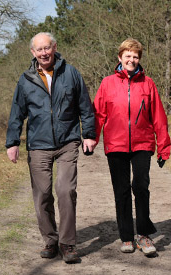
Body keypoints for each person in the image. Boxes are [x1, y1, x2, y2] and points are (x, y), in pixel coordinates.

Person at [6, 32, 96, 263]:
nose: (44, 52)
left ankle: (67, 243)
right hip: (38, 145)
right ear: (33, 53)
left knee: (66, 191)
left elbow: (85, 106)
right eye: (39, 49)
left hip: (68, 141)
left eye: (47, 47)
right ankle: (50, 240)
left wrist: (89, 135)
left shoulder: (71, 73)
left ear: (54, 47)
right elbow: (17, 113)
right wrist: (13, 142)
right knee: (42, 195)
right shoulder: (25, 79)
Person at [93, 38, 171, 256]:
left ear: (139, 59)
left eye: (135, 56)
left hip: (142, 144)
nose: (131, 59)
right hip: (115, 144)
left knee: (141, 187)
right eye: (127, 55)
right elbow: (98, 114)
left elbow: (159, 118)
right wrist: (91, 138)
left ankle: (144, 235)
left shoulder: (148, 84)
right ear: (120, 57)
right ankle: (126, 237)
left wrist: (164, 147)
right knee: (121, 191)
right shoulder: (107, 83)